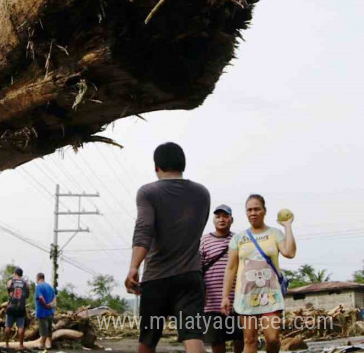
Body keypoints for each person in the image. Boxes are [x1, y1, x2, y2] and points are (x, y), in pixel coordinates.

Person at [125, 142, 210, 353]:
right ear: (183, 164)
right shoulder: (202, 193)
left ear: (156, 167)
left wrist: (134, 266)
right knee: (193, 338)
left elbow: (144, 229)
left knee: (148, 341)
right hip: (190, 277)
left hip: (157, 279)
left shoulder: (148, 192)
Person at [221, 194, 296, 353]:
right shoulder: (238, 238)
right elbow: (231, 268)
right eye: (249, 210)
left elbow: (289, 252)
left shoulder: (275, 233)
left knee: (273, 339)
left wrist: (287, 226)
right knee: (249, 340)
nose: (253, 213)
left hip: (271, 295)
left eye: (257, 209)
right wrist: (225, 296)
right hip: (246, 296)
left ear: (264, 211)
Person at [200, 205, 244, 353]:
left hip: (237, 300)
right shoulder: (204, 240)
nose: (221, 219)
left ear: (231, 219)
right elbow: (198, 268)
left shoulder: (239, 239)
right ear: (213, 220)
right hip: (211, 302)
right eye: (218, 216)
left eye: (225, 216)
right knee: (216, 341)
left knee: (240, 339)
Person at [4, 267, 29, 349]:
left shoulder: (10, 282)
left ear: (15, 273)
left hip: (11, 306)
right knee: (21, 327)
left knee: (8, 326)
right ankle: (21, 345)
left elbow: (9, 292)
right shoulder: (26, 284)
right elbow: (27, 296)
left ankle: (7, 344)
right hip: (21, 307)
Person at [34, 273, 57, 349]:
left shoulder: (38, 287)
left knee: (43, 331)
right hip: (50, 312)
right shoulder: (50, 287)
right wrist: (51, 305)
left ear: (38, 278)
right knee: (49, 331)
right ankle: (49, 345)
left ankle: (41, 345)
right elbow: (54, 297)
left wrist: (46, 305)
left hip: (42, 312)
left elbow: (40, 297)